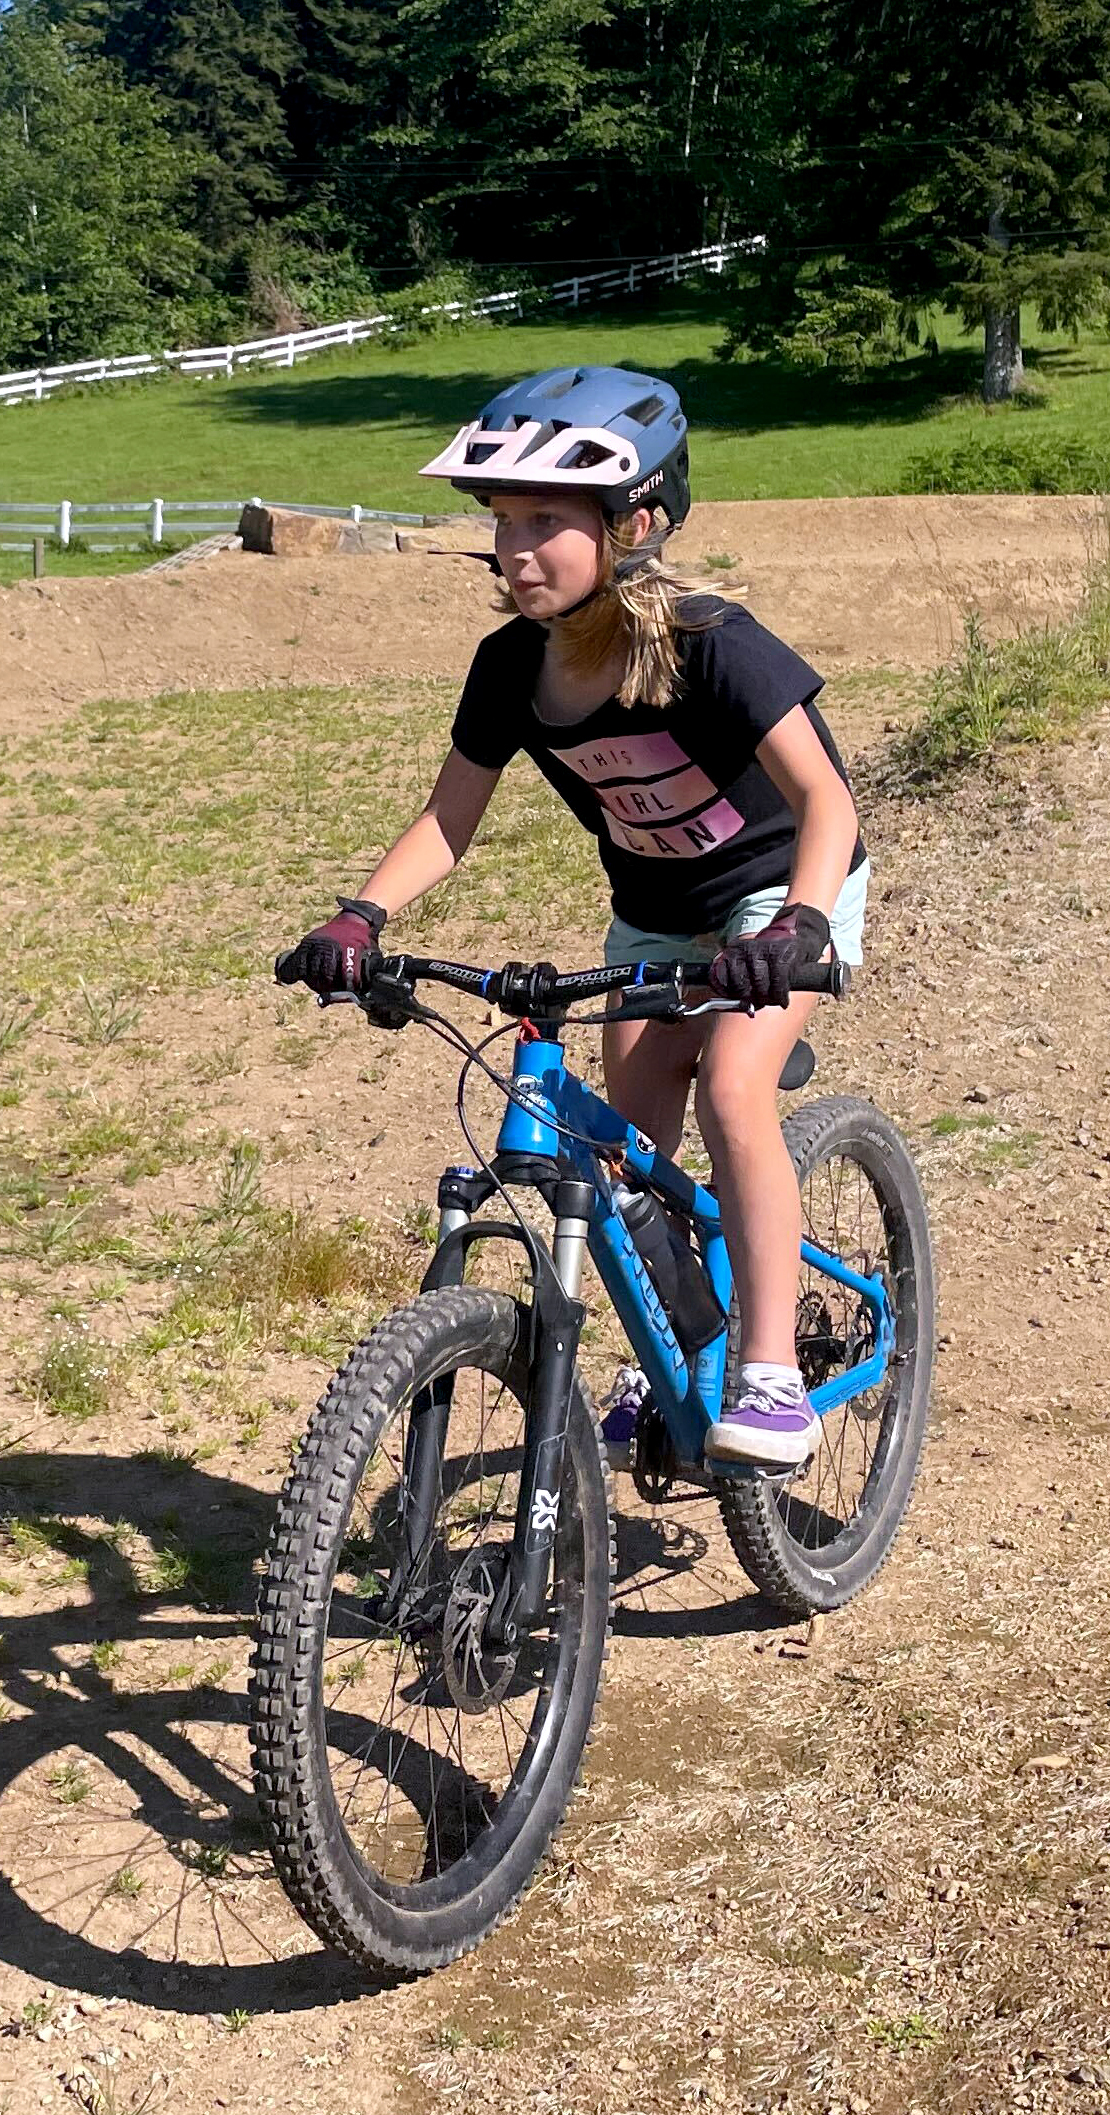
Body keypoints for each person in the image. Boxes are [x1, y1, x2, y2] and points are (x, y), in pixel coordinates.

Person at [273, 365, 867, 1472]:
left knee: (733, 1088)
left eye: (545, 520)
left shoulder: (708, 642)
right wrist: (359, 917)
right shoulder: (509, 669)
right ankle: (674, 1345)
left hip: (775, 895)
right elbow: (447, 822)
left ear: (633, 521)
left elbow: (826, 798)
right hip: (651, 915)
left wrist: (799, 925)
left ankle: (774, 1371)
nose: (514, 549)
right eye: (502, 522)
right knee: (635, 1155)